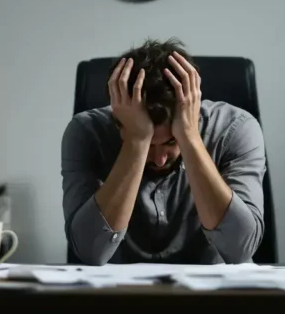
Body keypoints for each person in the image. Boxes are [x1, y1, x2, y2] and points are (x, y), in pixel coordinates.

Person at [61, 38, 267, 265]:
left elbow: (240, 249)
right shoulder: (85, 132)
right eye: (151, 146)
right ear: (117, 121)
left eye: (171, 142)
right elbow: (90, 252)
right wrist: (136, 142)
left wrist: (189, 137)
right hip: (117, 287)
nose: (160, 160)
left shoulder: (236, 128)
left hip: (214, 288)